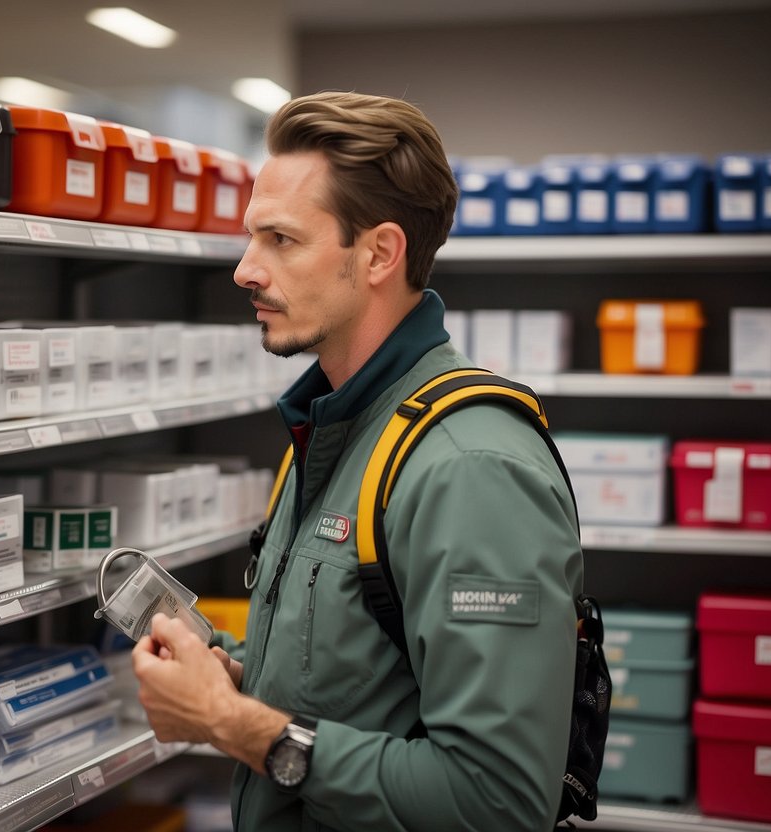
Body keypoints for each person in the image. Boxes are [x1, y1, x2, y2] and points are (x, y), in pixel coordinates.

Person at [132, 91, 584, 832]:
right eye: (251, 238)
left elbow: (495, 803)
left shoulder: (468, 468)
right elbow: (354, 679)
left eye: (280, 239)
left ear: (378, 253)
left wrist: (233, 725)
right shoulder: (333, 430)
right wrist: (231, 677)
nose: (245, 269)